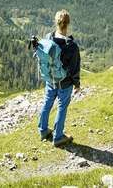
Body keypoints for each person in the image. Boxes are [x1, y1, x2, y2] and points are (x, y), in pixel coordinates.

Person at [29, 9, 81, 146]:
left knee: (47, 103)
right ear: (68, 24)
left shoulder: (48, 38)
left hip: (50, 79)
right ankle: (58, 137)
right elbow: (75, 68)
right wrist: (77, 84)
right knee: (62, 107)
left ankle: (43, 130)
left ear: (56, 22)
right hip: (65, 83)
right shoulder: (72, 46)